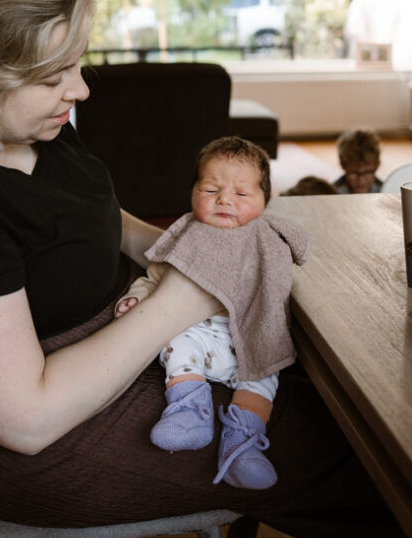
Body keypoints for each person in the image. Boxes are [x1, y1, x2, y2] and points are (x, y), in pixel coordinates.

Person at [0, 0, 412, 538]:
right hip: (61, 437)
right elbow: (28, 420)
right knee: (384, 454)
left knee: (346, 380)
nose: (81, 89)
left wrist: (175, 248)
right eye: (54, 74)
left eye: (78, 62)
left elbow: (80, 216)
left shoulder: (15, 121)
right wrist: (185, 296)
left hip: (124, 342)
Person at [114, 136, 310, 491]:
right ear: (192, 193)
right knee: (176, 343)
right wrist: (135, 298)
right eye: (210, 190)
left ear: (266, 200)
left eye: (241, 193)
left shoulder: (266, 239)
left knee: (266, 372)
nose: (224, 199)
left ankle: (242, 444)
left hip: (247, 337)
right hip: (196, 333)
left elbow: (301, 247)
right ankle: (189, 411)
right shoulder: (187, 235)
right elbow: (155, 276)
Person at [333, 129, 383, 194]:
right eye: (354, 173)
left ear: (377, 165)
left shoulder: (385, 191)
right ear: (342, 164)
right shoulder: (332, 193)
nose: (361, 180)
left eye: (367, 172)